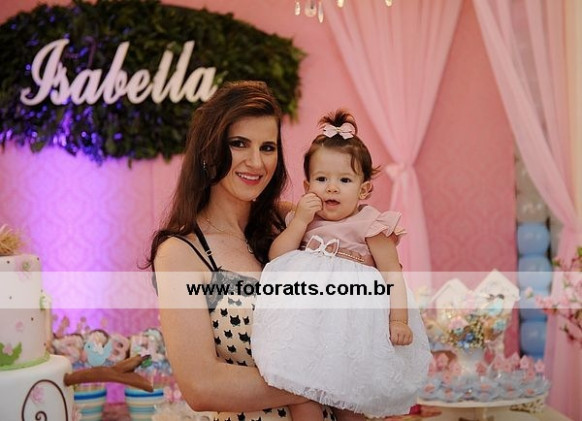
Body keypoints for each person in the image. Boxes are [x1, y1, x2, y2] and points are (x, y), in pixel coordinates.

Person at [148, 81, 337, 420]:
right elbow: (201, 386)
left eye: (268, 147)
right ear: (209, 150)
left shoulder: (289, 223)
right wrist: (322, 382)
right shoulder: (181, 253)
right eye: (239, 144)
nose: (256, 162)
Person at [251, 109, 432, 421]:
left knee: (351, 399)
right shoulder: (304, 219)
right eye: (322, 179)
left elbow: (392, 274)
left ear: (364, 189)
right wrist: (300, 222)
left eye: (344, 180)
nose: (331, 187)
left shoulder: (371, 224)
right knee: (299, 391)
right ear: (307, 185)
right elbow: (277, 258)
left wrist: (398, 321)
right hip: (307, 329)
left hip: (352, 331)